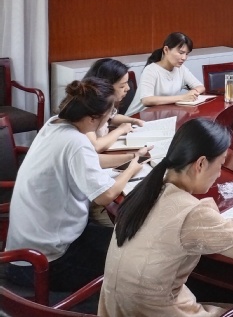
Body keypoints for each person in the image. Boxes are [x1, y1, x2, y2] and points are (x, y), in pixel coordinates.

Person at [99, 118, 233, 317]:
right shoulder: (192, 213)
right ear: (201, 164)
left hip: (116, 309)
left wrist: (216, 227)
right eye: (220, 164)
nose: (220, 173)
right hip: (157, 312)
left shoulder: (143, 192)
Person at [4, 78, 144, 291]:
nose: (109, 119)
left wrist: (132, 157)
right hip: (44, 263)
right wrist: (132, 169)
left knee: (130, 242)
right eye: (110, 114)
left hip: (28, 249)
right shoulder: (76, 142)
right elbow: (105, 195)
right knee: (133, 262)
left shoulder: (55, 124)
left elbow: (88, 160)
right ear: (92, 118)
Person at [84, 58, 150, 169]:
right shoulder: (87, 108)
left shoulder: (103, 103)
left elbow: (111, 117)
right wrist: (120, 130)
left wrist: (132, 121)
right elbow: (95, 146)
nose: (128, 88)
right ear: (106, 86)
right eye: (122, 86)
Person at [131, 32, 205, 115]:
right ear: (166, 50)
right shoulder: (151, 70)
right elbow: (146, 100)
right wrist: (182, 97)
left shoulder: (181, 69)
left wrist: (193, 92)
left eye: (187, 54)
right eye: (181, 53)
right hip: (137, 117)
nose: (184, 58)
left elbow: (200, 87)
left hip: (161, 115)